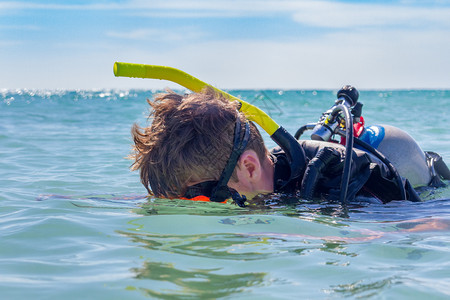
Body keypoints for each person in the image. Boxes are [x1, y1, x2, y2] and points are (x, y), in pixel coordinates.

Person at [130, 88, 449, 206]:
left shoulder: (347, 185)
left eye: (198, 198)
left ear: (250, 168)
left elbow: (425, 228)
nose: (198, 206)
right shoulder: (256, 187)